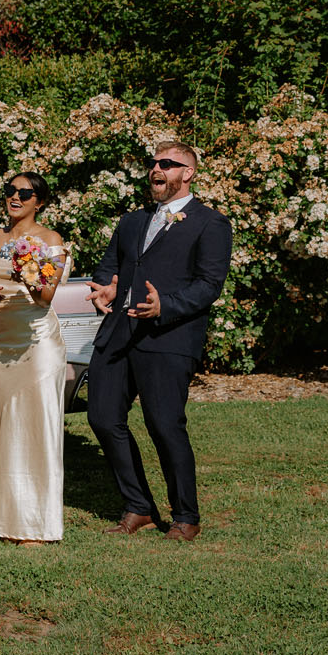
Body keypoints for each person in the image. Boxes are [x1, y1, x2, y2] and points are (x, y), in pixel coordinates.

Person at [86, 141, 231, 542]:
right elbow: (110, 268)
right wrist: (106, 288)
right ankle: (139, 507)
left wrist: (165, 305)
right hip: (118, 333)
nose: (156, 169)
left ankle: (186, 516)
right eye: (153, 163)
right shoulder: (132, 221)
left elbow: (209, 284)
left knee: (165, 425)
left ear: (188, 173)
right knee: (102, 418)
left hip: (168, 337)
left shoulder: (210, 223)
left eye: (167, 163)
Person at [0, 173, 70, 544]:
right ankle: (7, 522)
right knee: (2, 429)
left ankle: (38, 526)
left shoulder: (51, 240)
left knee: (37, 426)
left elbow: (45, 297)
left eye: (24, 193)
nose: (15, 197)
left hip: (38, 341)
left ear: (38, 202)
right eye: (10, 191)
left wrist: (27, 268)